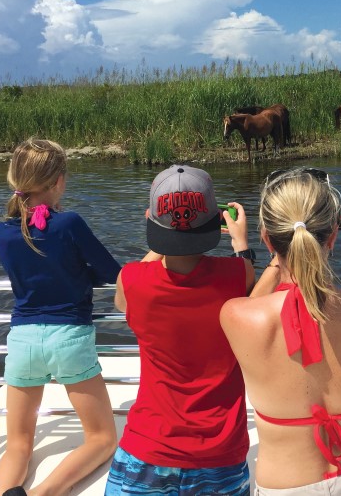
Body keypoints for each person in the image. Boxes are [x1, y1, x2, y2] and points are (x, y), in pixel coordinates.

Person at [220, 167, 341, 494]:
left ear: (267, 239)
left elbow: (255, 304)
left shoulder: (236, 317)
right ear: (334, 236)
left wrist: (267, 254)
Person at [105, 165, 258, 496]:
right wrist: (241, 243)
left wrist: (164, 237)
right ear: (216, 219)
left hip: (146, 450)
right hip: (220, 455)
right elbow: (249, 277)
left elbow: (123, 300)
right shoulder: (236, 274)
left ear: (150, 219)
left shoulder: (131, 281)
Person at [0, 138, 120, 496]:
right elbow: (111, 272)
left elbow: (39, 271)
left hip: (23, 341)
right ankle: (42, 494)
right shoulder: (69, 224)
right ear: (58, 181)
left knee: (17, 444)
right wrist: (84, 273)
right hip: (69, 339)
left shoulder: (0, 234)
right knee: (102, 438)